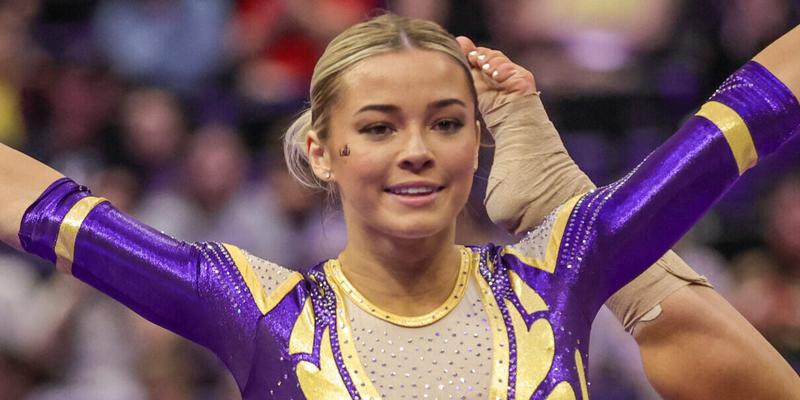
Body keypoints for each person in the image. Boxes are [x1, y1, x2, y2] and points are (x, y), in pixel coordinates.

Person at [1, 13, 800, 399]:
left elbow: (754, 110)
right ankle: (551, 187)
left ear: (475, 144)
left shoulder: (556, 275)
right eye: (379, 128)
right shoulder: (259, 310)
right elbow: (48, 210)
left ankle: (551, 186)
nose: (417, 150)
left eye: (447, 124)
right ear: (321, 151)